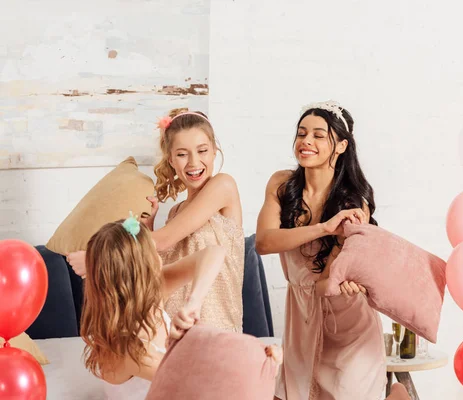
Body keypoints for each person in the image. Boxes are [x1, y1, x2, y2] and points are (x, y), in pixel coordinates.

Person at [69, 108, 245, 332]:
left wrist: (96, 258)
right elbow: (160, 273)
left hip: (216, 331)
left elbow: (162, 241)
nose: (194, 162)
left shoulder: (223, 186)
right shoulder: (175, 213)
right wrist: (148, 228)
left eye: (202, 151)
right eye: (182, 154)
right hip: (173, 330)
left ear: (214, 152)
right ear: (171, 160)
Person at [256, 100, 386, 399]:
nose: (306, 142)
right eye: (301, 134)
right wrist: (324, 228)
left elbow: (325, 285)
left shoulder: (353, 204)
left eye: (317, 135)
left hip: (347, 323)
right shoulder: (282, 184)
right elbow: (264, 242)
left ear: (340, 145)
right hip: (301, 317)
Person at [80, 214, 226, 399]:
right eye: (153, 251)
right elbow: (195, 385)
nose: (159, 257)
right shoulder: (130, 348)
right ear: (142, 268)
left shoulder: (153, 292)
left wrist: (194, 302)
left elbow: (214, 252)